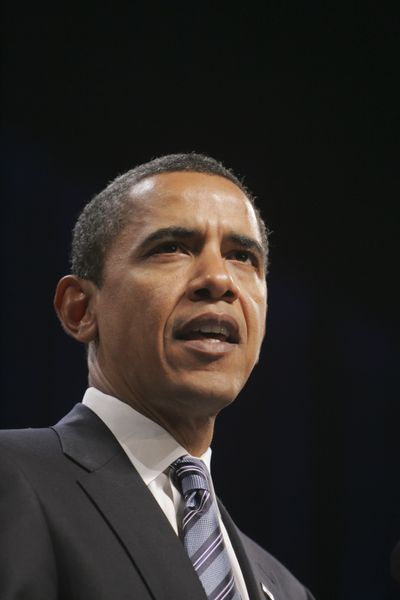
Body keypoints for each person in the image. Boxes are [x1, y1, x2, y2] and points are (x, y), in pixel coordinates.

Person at [0, 153, 315, 599]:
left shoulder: (286, 589)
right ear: (81, 309)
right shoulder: (11, 479)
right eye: (172, 247)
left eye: (243, 256)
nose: (219, 279)